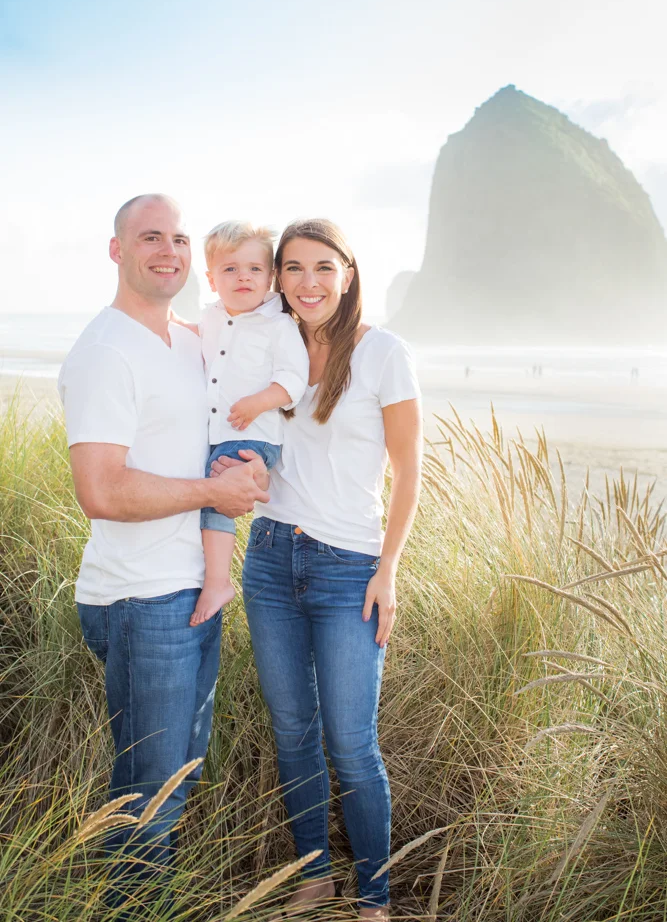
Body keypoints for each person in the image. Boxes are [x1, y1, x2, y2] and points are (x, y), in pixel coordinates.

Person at [57, 194, 269, 911]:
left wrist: (249, 475)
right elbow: (103, 491)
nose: (169, 251)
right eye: (151, 237)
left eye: (179, 238)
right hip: (140, 598)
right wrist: (215, 496)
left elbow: (221, 433)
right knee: (148, 795)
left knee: (175, 778)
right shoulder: (105, 350)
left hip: (191, 592)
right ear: (117, 250)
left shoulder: (190, 339)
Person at [236, 218, 422, 920]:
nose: (306, 282)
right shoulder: (267, 350)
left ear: (347, 273)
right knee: (292, 732)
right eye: (291, 268)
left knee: (350, 741)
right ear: (277, 278)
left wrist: (388, 570)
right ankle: (314, 881)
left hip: (350, 567)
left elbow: (408, 473)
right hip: (271, 559)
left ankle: (371, 897)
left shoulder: (383, 353)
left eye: (321, 267)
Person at [189, 221, 309, 626]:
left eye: (255, 269)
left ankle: (218, 581)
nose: (244, 276)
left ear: (271, 276)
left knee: (217, 488)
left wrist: (260, 401)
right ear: (211, 279)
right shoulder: (210, 318)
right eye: (230, 269)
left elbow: (295, 381)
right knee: (203, 485)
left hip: (254, 437)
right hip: (217, 435)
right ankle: (207, 569)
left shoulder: (278, 326)